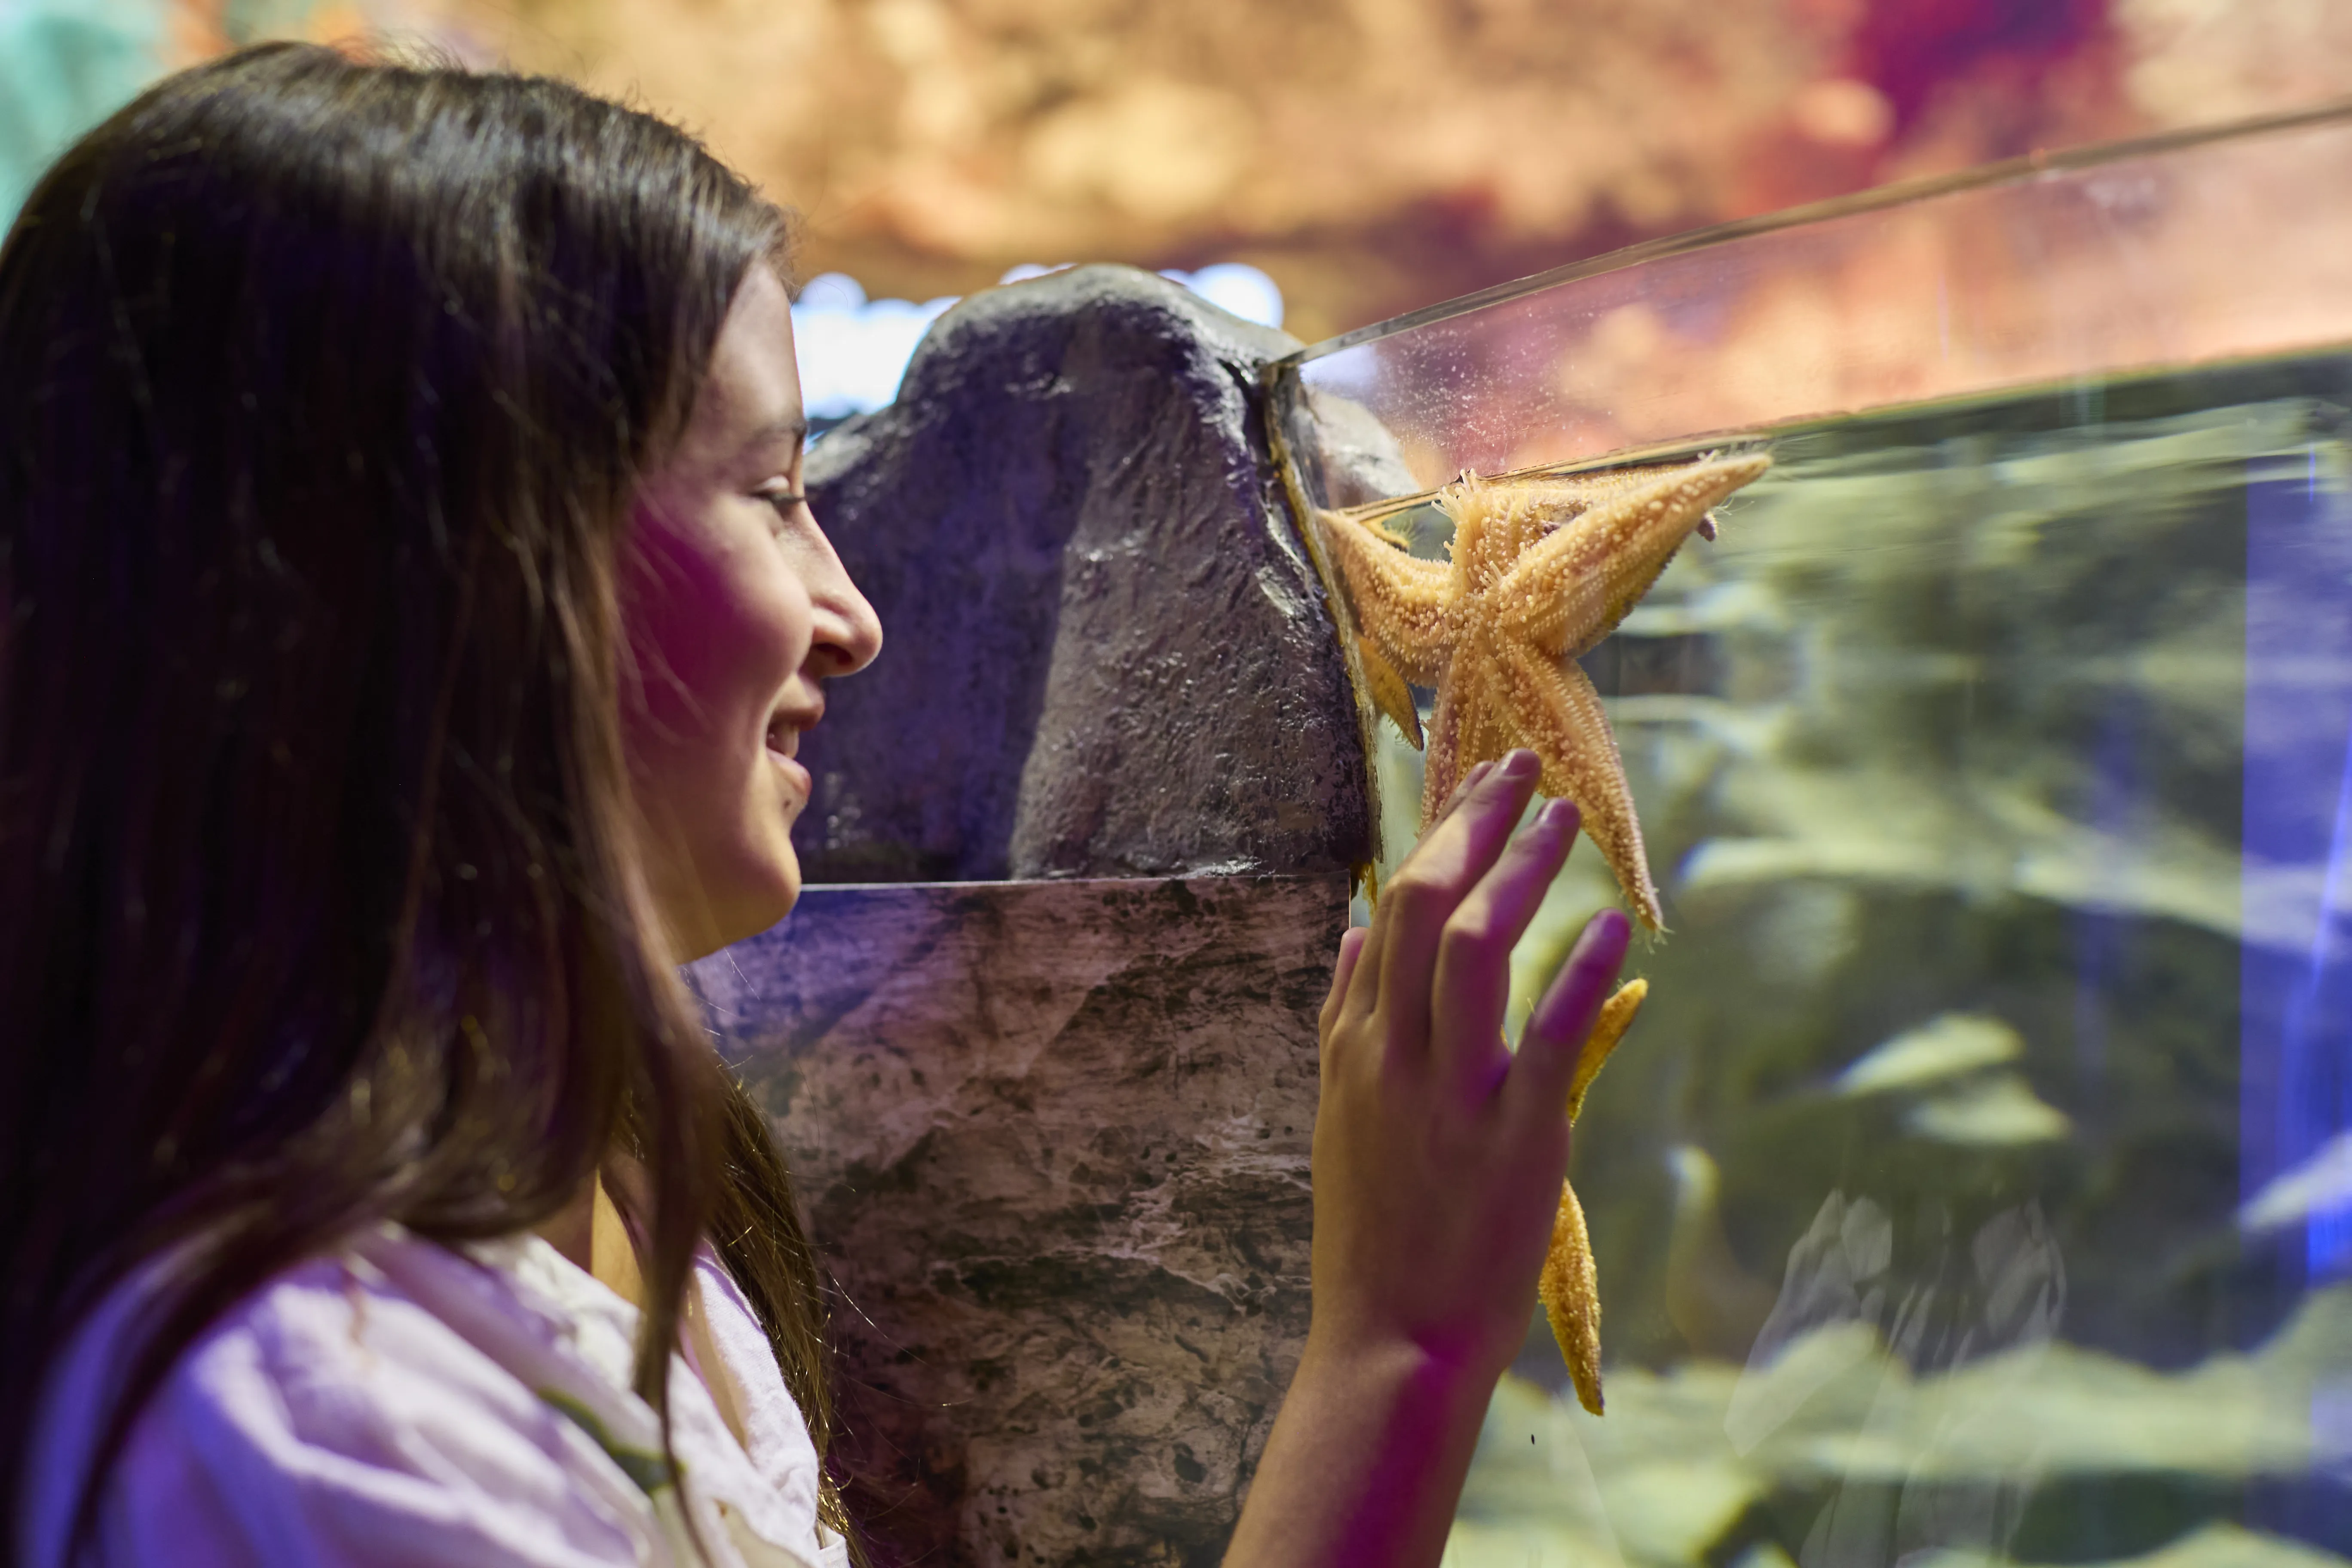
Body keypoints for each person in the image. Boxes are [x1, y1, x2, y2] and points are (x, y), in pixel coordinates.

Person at [0, 42, 1632, 1568]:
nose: (851, 616)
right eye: (776, 494)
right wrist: (1397, 1348)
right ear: (460, 571)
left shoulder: (609, 1184)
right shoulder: (318, 1425)